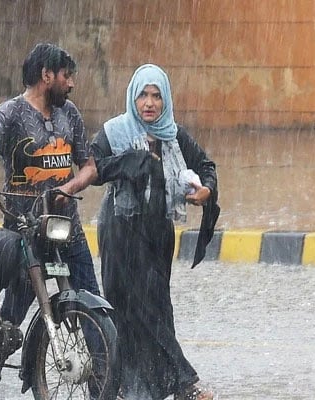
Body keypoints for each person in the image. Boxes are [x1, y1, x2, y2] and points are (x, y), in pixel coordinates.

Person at [0, 43, 100, 398]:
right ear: (46, 76)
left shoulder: (69, 113)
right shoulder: (9, 113)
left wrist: (70, 187)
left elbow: (89, 166)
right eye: (66, 77)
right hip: (24, 232)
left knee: (94, 311)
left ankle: (103, 381)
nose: (70, 84)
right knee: (11, 318)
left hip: (67, 228)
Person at [90, 63, 220, 400]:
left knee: (157, 306)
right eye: (143, 95)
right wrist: (133, 161)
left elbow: (206, 167)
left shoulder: (174, 135)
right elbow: (93, 166)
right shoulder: (115, 132)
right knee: (130, 306)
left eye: (156, 96)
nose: (149, 103)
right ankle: (181, 383)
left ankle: (152, 385)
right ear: (133, 97)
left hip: (158, 232)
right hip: (120, 229)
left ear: (166, 101)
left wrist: (204, 190)